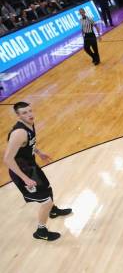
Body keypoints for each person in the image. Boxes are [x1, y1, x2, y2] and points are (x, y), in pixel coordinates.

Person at [4, 102, 72, 241]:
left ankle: (52, 211)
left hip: (30, 166)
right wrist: (25, 179)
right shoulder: (19, 133)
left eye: (30, 111)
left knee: (47, 188)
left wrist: (39, 153)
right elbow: (7, 159)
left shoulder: (29, 124)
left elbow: (29, 143)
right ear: (18, 116)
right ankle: (41, 231)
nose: (29, 114)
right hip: (21, 171)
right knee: (45, 201)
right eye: (24, 113)